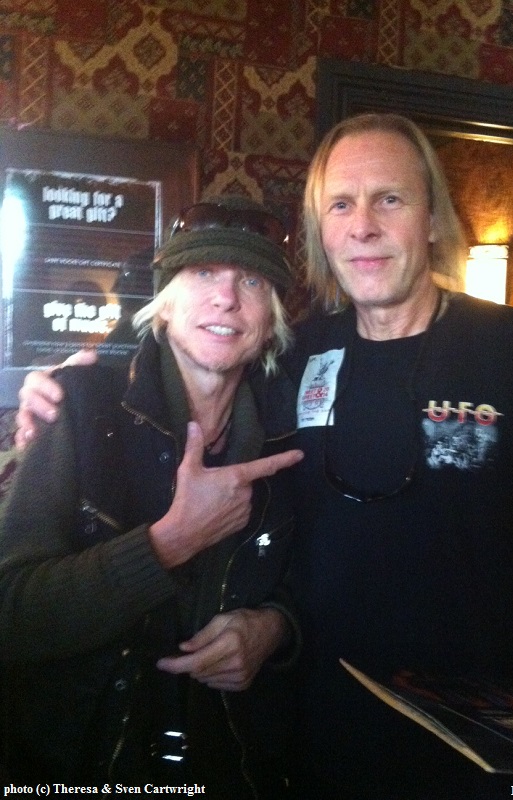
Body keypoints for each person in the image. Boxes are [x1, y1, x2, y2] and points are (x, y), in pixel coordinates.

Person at [13, 114, 513, 800]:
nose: (363, 226)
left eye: (389, 199)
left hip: (494, 756)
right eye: (340, 205)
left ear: (433, 219)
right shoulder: (297, 361)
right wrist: (59, 390)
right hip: (317, 748)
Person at [0, 194, 303, 796]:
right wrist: (168, 543)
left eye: (250, 280)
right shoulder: (81, 407)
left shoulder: (291, 436)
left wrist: (274, 629)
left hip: (227, 769)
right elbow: (10, 617)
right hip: (82, 769)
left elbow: (313, 582)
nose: (226, 297)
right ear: (165, 304)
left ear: (271, 320)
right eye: (204, 272)